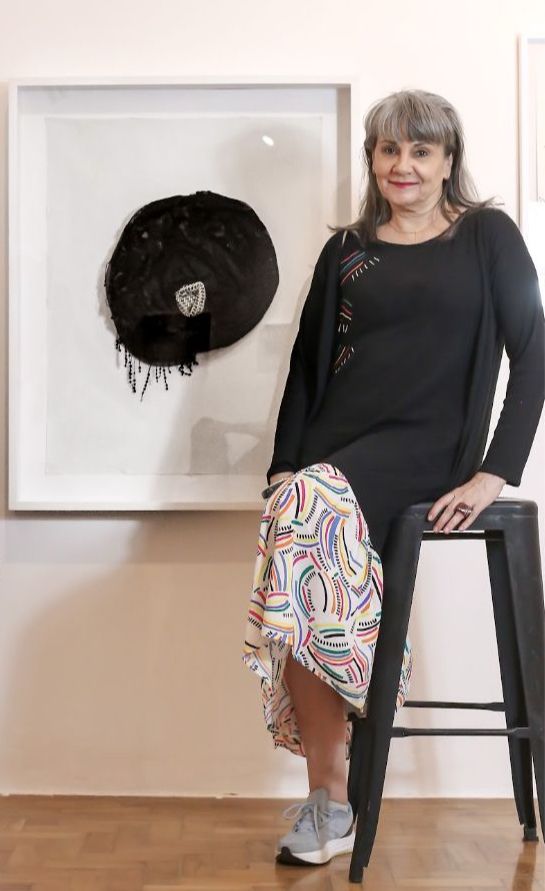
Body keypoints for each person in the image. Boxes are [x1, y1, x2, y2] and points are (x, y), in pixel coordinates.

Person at [242, 89, 545, 867]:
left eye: (419, 150)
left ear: (447, 161)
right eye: (387, 149)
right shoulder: (346, 249)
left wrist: (493, 471)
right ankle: (329, 795)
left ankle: (333, 786)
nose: (400, 165)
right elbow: (305, 368)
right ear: (372, 157)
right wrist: (284, 463)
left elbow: (533, 352)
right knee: (300, 524)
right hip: (337, 448)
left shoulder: (486, 236)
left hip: (430, 449)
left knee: (304, 520)